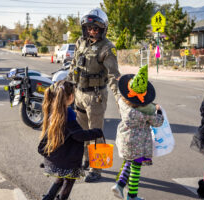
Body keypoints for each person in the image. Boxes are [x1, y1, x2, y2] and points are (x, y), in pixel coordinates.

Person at [66, 7, 121, 183]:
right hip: (79, 94)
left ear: (102, 29)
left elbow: (113, 75)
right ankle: (87, 160)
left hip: (96, 96)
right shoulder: (80, 43)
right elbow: (73, 65)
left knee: (95, 133)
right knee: (81, 132)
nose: (92, 31)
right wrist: (67, 85)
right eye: (89, 28)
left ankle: (97, 169)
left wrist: (120, 98)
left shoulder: (107, 48)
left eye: (96, 28)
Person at [38, 80, 103, 200]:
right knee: (68, 182)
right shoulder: (68, 114)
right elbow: (79, 135)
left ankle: (48, 198)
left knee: (60, 179)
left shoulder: (53, 110)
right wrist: (96, 132)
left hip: (57, 158)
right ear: (71, 97)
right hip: (68, 160)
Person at [111, 65, 164, 200]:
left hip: (125, 140)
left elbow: (118, 93)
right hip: (139, 144)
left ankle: (119, 185)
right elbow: (158, 122)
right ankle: (132, 196)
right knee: (136, 168)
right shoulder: (145, 113)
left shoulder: (122, 103)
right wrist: (159, 111)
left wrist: (118, 81)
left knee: (128, 161)